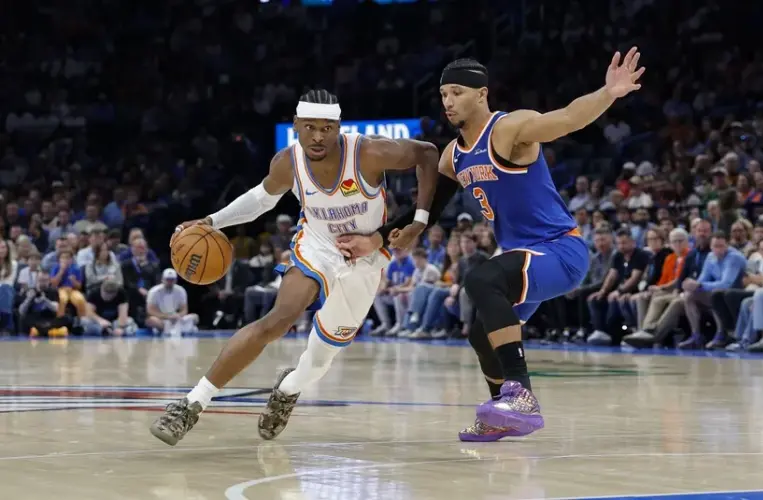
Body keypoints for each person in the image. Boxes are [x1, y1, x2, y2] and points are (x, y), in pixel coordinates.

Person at [338, 50, 643, 441]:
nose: (448, 101)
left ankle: (522, 397)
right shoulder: (453, 155)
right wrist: (376, 239)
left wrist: (608, 92)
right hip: (522, 258)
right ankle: (503, 413)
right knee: (481, 335)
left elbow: (568, 118)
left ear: (481, 94)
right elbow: (428, 210)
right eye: (443, 94)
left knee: (481, 279)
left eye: (457, 92)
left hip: (560, 251)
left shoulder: (509, 129)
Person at [150, 89, 440, 446]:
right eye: (310, 127)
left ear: (338, 127)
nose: (318, 136)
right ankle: (192, 403)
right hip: (317, 246)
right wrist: (211, 221)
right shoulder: (288, 162)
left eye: (326, 128)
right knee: (279, 319)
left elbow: (428, 154)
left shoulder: (368, 152)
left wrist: (419, 220)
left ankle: (287, 389)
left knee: (319, 362)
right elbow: (261, 199)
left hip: (365, 260)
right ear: (296, 125)